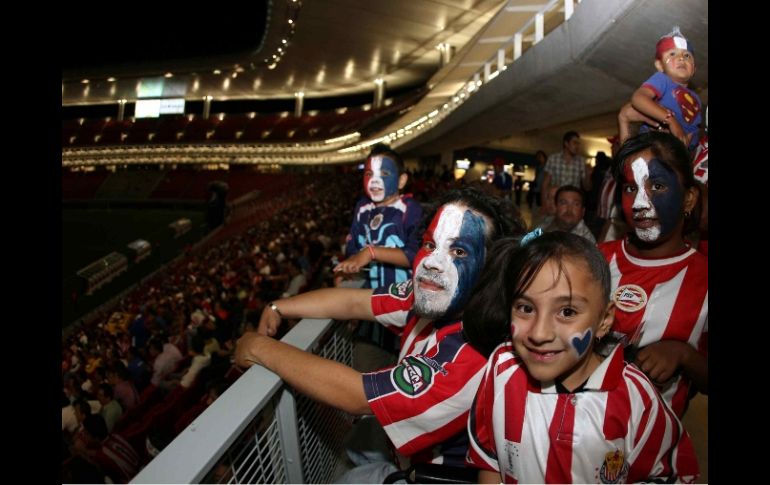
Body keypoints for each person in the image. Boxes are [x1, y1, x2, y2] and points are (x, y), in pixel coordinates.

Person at [235, 187, 523, 481]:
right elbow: (354, 302)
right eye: (429, 245)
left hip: (431, 475)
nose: (433, 261)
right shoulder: (430, 295)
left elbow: (356, 395)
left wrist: (259, 347)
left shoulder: (471, 355)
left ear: (491, 268)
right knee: (361, 439)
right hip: (402, 454)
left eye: (458, 251)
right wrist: (278, 307)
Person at [463, 231, 699, 483]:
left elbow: (674, 473)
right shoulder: (502, 367)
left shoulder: (637, 398)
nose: (539, 333)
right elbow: (490, 459)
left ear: (604, 321)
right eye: (526, 308)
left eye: (567, 312)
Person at [598, 131, 707, 418]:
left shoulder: (704, 278)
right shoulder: (594, 260)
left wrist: (684, 356)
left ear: (689, 199)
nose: (640, 203)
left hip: (655, 440)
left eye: (656, 186)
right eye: (631, 188)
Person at [335, 144, 423, 354]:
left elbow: (416, 256)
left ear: (401, 180)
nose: (374, 181)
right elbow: (353, 252)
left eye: (384, 173)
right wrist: (346, 272)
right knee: (366, 364)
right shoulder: (362, 208)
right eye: (369, 174)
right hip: (371, 310)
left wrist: (371, 252)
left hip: (406, 310)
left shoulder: (411, 209)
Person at [618, 26, 702, 151]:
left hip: (680, 153)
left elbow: (695, 128)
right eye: (672, 54)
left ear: (694, 69)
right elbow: (639, 98)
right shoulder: (662, 80)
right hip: (653, 145)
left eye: (687, 56)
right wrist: (670, 121)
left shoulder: (696, 98)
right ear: (660, 66)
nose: (681, 58)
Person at [540, 131, 592, 216]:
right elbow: (545, 184)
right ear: (566, 144)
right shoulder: (553, 159)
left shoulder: (581, 161)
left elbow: (587, 187)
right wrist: (544, 204)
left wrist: (588, 175)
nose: (577, 146)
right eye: (574, 143)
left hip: (572, 203)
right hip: (556, 203)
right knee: (553, 224)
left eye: (578, 143)